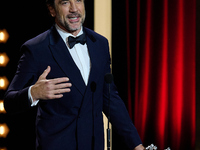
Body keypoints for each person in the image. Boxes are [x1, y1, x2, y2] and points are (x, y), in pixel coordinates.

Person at [4, 0, 145, 150]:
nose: (74, 9)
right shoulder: (36, 49)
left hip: (93, 144)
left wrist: (136, 144)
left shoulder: (100, 43)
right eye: (65, 2)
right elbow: (9, 101)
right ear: (52, 10)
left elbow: (110, 99)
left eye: (78, 0)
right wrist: (33, 92)